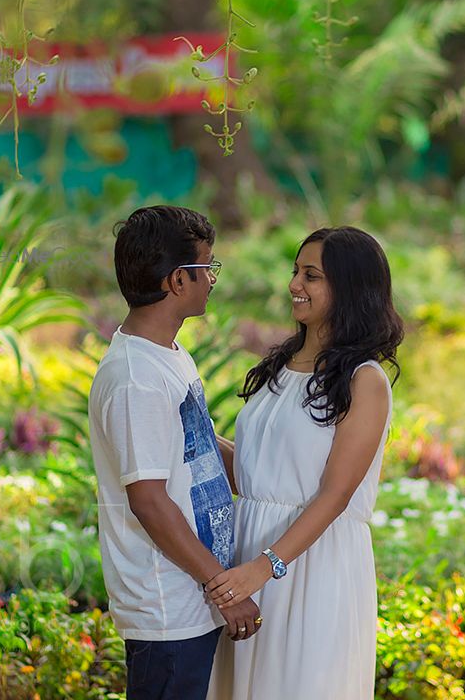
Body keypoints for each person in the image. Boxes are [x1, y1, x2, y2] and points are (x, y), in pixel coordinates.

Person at [206, 226, 404, 700]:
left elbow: (336, 494)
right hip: (248, 558)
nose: (294, 284)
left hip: (313, 569)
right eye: (296, 271)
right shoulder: (281, 364)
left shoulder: (365, 380)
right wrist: (199, 434)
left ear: (351, 288)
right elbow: (258, 477)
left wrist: (265, 565)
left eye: (311, 275)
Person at [88, 205, 261, 700]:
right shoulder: (134, 377)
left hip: (192, 596)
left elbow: (201, 445)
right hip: (167, 607)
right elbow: (149, 501)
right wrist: (222, 587)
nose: (212, 279)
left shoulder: (166, 353)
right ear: (176, 281)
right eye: (207, 267)